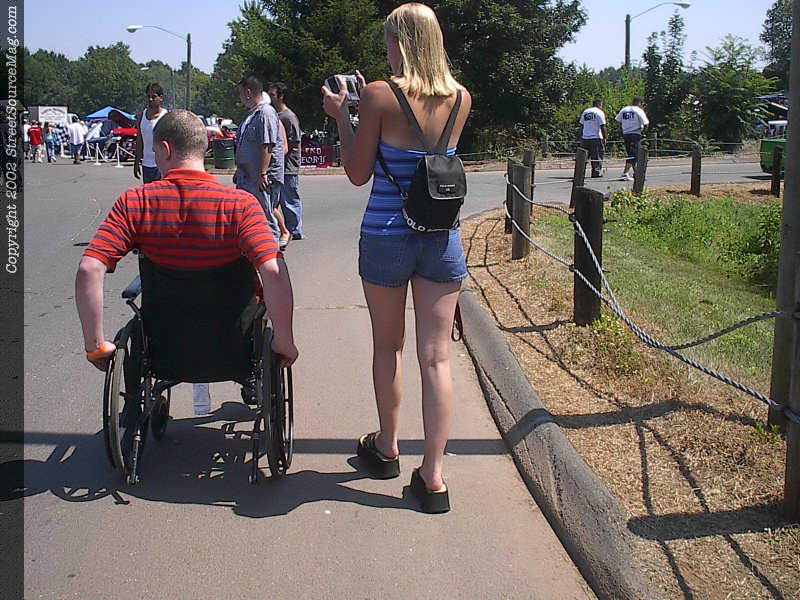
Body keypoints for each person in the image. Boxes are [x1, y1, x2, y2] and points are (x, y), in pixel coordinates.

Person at [321, 2, 471, 514]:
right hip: (441, 235)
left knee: (389, 347)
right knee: (437, 356)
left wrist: (343, 117)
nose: (386, 49)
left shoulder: (380, 95)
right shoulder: (460, 97)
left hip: (387, 233)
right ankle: (433, 476)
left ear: (402, 43)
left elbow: (358, 172)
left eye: (389, 40)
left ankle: (386, 447)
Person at [75, 109, 298, 385]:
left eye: (155, 152)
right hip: (234, 347)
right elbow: (273, 270)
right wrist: (284, 341)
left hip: (165, 349)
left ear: (166, 149)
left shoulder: (134, 203)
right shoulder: (241, 206)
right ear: (204, 149)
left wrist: (95, 346)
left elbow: (89, 268)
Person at [234, 75, 285, 247]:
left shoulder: (266, 113)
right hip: (247, 176)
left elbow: (267, 145)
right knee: (250, 218)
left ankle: (273, 253)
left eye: (240, 93)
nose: (240, 97)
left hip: (261, 179)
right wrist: (239, 168)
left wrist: (263, 173)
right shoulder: (251, 115)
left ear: (248, 92)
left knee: (266, 218)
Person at [269, 82, 304, 241]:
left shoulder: (288, 117)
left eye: (272, 95)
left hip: (288, 166)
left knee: (289, 199)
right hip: (277, 166)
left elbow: (294, 141)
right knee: (275, 200)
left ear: (281, 96)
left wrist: (280, 155)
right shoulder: (274, 115)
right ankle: (281, 229)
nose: (270, 98)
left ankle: (295, 230)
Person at [134, 82, 169, 183]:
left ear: (160, 98)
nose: (150, 99)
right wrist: (136, 162)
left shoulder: (165, 116)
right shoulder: (142, 116)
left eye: (153, 97)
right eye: (148, 96)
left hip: (161, 166)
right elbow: (139, 141)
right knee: (148, 193)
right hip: (146, 165)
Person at [615, 97, 649, 181]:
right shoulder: (638, 110)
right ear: (639, 103)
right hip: (635, 133)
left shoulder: (624, 109)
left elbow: (617, 121)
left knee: (631, 153)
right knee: (635, 155)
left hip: (626, 133)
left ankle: (637, 173)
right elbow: (646, 123)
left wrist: (624, 128)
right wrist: (643, 132)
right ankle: (625, 172)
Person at [580, 97, 607, 178]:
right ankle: (596, 172)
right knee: (597, 156)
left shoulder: (586, 112)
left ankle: (580, 172)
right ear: (599, 104)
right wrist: (605, 137)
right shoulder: (599, 112)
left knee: (584, 157)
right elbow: (603, 126)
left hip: (585, 138)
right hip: (596, 137)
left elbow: (581, 125)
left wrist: (581, 136)